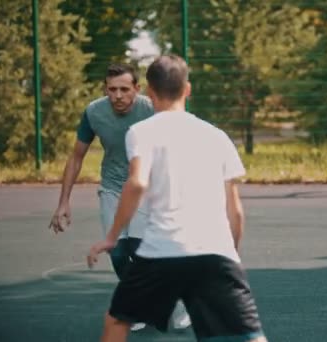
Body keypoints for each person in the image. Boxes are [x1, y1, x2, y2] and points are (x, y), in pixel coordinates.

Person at [87, 54, 267, 342]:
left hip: (162, 252)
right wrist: (231, 255)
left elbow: (136, 184)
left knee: (116, 322)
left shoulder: (141, 132)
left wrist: (111, 236)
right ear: (188, 89)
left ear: (149, 92)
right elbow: (235, 211)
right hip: (214, 252)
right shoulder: (217, 136)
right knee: (250, 336)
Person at [49, 63, 190, 332]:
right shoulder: (94, 112)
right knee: (117, 253)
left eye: (125, 89)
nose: (118, 95)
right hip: (113, 187)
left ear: (137, 89)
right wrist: (63, 202)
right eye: (112, 89)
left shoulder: (153, 108)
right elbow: (77, 156)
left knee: (144, 249)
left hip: (149, 187)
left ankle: (178, 299)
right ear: (105, 89)